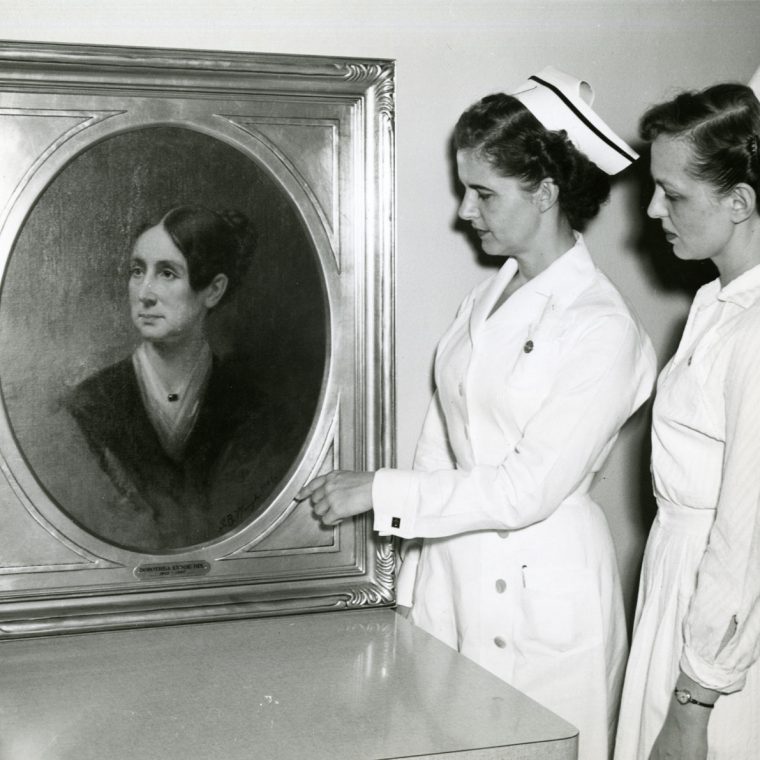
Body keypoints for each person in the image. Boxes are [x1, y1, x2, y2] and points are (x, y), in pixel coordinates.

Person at [298, 67, 657, 760]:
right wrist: (412, 587)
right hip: (458, 582)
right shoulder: (482, 303)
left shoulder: (602, 328)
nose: (466, 210)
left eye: (484, 192)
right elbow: (441, 442)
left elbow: (527, 488)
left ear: (546, 193)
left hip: (545, 595)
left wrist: (378, 491)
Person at [614, 78, 760, 760]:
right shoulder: (713, 303)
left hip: (719, 632)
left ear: (740, 201)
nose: (652, 208)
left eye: (673, 194)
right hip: (677, 585)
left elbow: (746, 537)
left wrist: (693, 704)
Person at [64, 205, 303, 550]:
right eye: (137, 271)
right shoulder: (88, 405)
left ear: (214, 289)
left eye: (167, 274)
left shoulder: (254, 409)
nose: (144, 292)